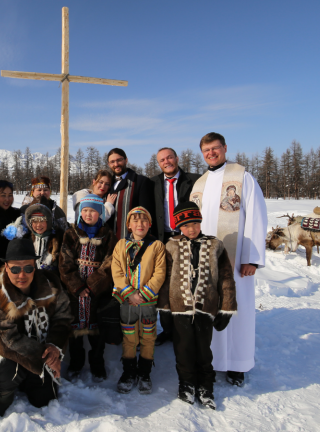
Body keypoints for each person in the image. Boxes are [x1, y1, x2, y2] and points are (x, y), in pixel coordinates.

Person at [189, 132, 268, 387]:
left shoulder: (243, 178)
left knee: (237, 308)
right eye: (206, 150)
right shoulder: (199, 184)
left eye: (215, 148)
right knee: (208, 307)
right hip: (205, 259)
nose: (211, 153)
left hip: (235, 261)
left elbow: (256, 218)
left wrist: (252, 259)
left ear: (224, 148)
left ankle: (237, 363)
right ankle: (210, 360)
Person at [157, 201, 236, 409]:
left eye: (194, 223)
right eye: (185, 225)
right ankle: (186, 384)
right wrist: (164, 308)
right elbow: (165, 279)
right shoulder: (171, 245)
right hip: (179, 308)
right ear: (178, 227)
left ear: (200, 222)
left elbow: (226, 278)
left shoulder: (215, 245)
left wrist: (226, 307)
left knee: (203, 350)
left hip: (205, 307)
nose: (190, 229)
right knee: (183, 349)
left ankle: (206, 387)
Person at [0, 238, 73, 417]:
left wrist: (54, 348)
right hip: (10, 353)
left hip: (43, 350)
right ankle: (3, 391)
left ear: (35, 266)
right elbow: (6, 338)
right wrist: (44, 355)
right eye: (15, 269)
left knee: (44, 400)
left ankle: (32, 380)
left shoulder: (51, 284)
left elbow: (63, 317)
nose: (21, 275)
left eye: (28, 268)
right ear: (7, 267)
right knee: (7, 375)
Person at [58, 194, 118, 382]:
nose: (88, 214)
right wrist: (77, 286)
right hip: (75, 292)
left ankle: (97, 364)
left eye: (92, 210)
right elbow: (65, 262)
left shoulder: (107, 234)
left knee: (97, 332)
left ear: (99, 212)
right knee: (75, 331)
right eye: (84, 210)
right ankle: (76, 364)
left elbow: (110, 262)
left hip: (98, 293)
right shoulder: (71, 233)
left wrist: (92, 286)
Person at [111, 207, 166, 395]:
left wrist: (143, 294)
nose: (140, 224)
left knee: (148, 336)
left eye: (144, 221)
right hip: (127, 302)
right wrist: (129, 293)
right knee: (129, 337)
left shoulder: (156, 246)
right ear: (128, 225)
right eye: (135, 221)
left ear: (150, 224)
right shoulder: (120, 245)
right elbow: (116, 270)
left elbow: (160, 273)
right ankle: (128, 372)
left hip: (148, 301)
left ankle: (145, 372)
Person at [151, 147, 202, 346]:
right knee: (164, 285)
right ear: (159, 163)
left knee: (190, 283)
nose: (167, 161)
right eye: (162, 159)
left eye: (170, 157)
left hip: (188, 238)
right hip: (164, 240)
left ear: (177, 158)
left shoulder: (195, 180)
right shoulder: (153, 183)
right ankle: (168, 329)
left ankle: (189, 328)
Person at [106, 148, 155, 241]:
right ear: (109, 164)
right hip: (109, 241)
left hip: (132, 240)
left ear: (126, 160)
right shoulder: (107, 183)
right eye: (112, 162)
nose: (116, 164)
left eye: (119, 160)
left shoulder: (140, 181)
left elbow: (147, 214)